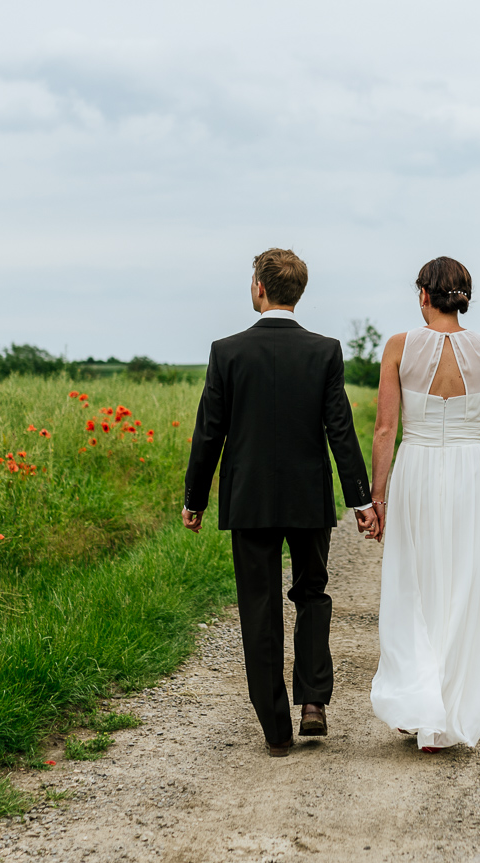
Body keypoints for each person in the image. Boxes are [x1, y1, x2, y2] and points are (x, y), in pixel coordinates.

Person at [182, 248, 378, 757]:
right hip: (308, 496)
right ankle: (313, 702)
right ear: (298, 292)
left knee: (260, 606)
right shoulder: (324, 351)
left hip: (249, 500)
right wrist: (361, 500)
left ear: (260, 289)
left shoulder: (226, 352)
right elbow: (341, 430)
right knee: (312, 593)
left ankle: (275, 728)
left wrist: (194, 498)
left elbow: (209, 434)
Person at [367, 256, 480, 752]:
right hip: (471, 471)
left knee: (414, 581)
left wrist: (377, 495)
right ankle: (443, 711)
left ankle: (418, 704)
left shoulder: (400, 347)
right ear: (464, 296)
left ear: (423, 295)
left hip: (418, 469)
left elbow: (386, 429)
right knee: (463, 584)